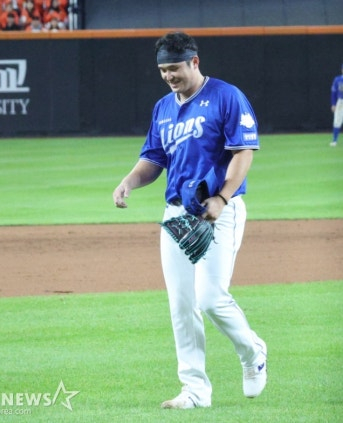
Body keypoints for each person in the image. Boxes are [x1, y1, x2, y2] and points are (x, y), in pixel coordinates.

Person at [112, 31, 267, 409]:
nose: (169, 75)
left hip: (218, 211)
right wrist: (129, 181)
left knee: (210, 299)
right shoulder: (163, 107)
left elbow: (243, 152)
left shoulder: (226, 96)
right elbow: (153, 159)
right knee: (182, 304)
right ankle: (195, 390)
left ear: (194, 62)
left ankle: (253, 352)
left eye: (175, 68)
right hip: (177, 214)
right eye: (163, 70)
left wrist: (222, 198)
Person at [330, 63, 343, 147]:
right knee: (337, 121)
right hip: (341, 102)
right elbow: (333, 92)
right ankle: (334, 140)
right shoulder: (337, 79)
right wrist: (333, 104)